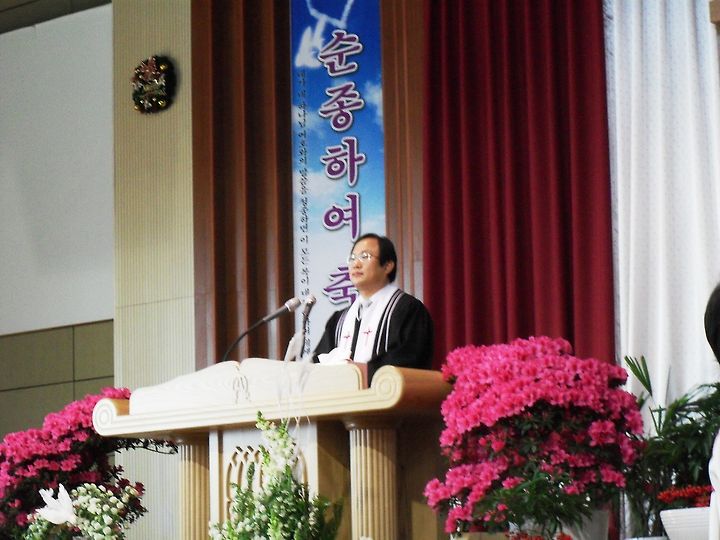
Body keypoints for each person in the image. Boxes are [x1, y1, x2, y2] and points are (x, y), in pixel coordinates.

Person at [312, 233, 434, 382]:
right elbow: (318, 362)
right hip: (341, 396)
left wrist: (357, 373)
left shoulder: (408, 310)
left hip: (386, 395)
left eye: (365, 256)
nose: (356, 264)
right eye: (352, 258)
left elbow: (409, 362)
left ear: (387, 266)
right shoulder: (339, 320)